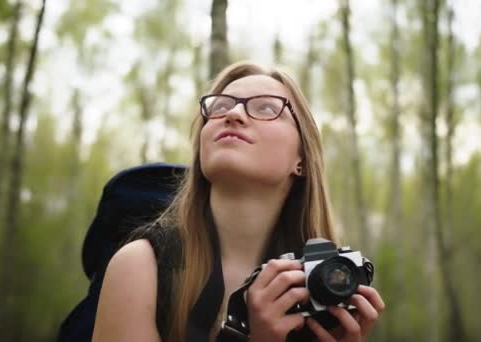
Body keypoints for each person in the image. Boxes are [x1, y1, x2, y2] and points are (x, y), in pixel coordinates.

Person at [91, 61, 385, 342]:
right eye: (220, 107)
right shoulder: (140, 268)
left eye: (266, 107)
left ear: (302, 160)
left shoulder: (325, 288)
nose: (234, 115)